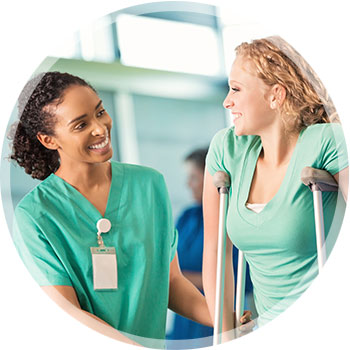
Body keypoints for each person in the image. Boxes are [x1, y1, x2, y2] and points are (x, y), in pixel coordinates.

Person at [8, 72, 250, 347]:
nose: (100, 128)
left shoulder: (149, 185)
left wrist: (221, 319)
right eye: (81, 125)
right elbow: (69, 313)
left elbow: (170, 281)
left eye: (100, 112)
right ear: (49, 140)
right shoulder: (36, 214)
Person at [202, 36, 348, 338]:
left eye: (236, 89)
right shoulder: (226, 149)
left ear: (275, 95)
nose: (226, 101)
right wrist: (224, 333)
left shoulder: (327, 141)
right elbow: (216, 252)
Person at [167, 148, 255, 344]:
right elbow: (168, 262)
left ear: (209, 179)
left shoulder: (232, 220)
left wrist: (181, 278)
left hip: (222, 312)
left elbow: (244, 277)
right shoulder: (186, 217)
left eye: (194, 178)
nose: (188, 185)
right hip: (185, 318)